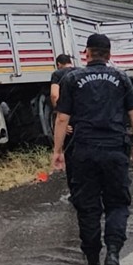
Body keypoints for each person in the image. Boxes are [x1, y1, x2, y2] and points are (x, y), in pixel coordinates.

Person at [51, 33, 133, 265]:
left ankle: (92, 264)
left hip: (83, 152)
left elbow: (62, 118)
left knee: (88, 207)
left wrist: (57, 151)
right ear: (109, 54)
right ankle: (113, 253)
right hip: (115, 149)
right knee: (117, 203)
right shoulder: (121, 78)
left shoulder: (72, 78)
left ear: (87, 53)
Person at [37, 54, 76, 183]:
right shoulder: (80, 72)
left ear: (59, 64)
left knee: (68, 143)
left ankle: (67, 172)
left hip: (68, 115)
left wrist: (58, 112)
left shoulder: (58, 74)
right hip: (83, 116)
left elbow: (54, 95)